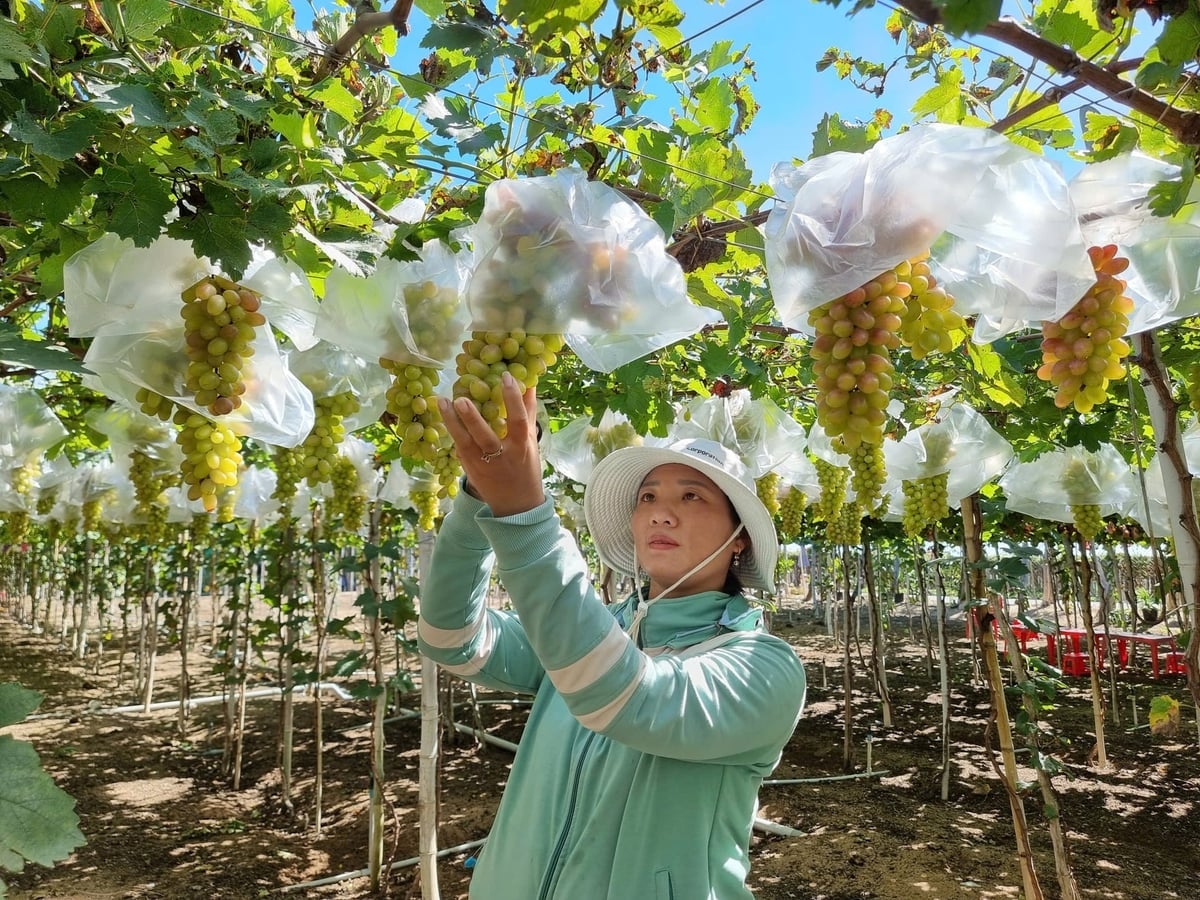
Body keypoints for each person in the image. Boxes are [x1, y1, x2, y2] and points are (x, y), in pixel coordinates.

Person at [419, 372, 807, 900]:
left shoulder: (764, 668)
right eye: (647, 497)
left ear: (739, 540)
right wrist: (477, 500)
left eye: (692, 497)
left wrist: (526, 518)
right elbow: (450, 637)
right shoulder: (589, 635)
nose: (660, 512)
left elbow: (625, 696)